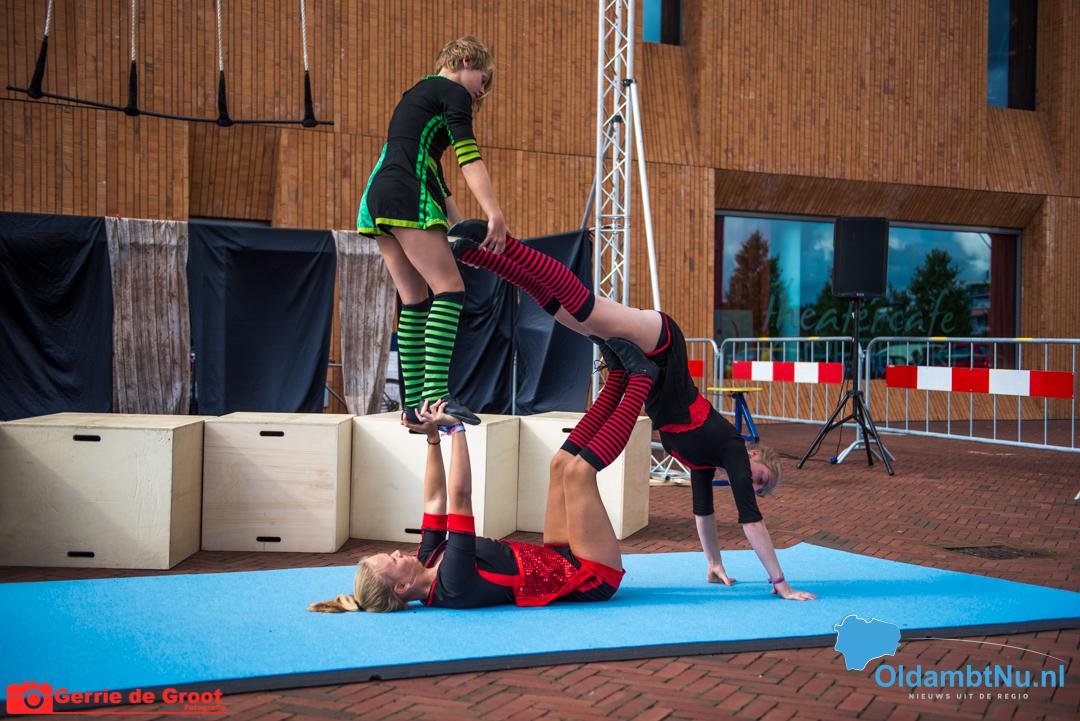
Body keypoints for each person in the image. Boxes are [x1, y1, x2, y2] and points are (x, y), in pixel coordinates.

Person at [447, 219, 816, 601]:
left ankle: (479, 258)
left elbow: (703, 515)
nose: (754, 486)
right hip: (664, 346)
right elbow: (750, 520)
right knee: (584, 308)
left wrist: (713, 563)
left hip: (641, 364)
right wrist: (780, 583)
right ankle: (502, 243)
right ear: (754, 456)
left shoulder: (703, 463)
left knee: (560, 311)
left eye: (760, 488)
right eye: (761, 478)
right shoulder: (733, 447)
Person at [309, 341, 653, 612]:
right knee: (579, 472)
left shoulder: (428, 560)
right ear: (401, 587)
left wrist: (432, 438)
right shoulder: (452, 584)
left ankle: (617, 378)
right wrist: (456, 429)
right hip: (589, 577)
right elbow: (461, 498)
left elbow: (435, 499)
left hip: (558, 560)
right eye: (393, 560)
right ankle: (642, 379)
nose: (398, 552)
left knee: (560, 464)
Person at [356, 36, 506, 425]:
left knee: (415, 299)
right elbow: (468, 157)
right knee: (451, 289)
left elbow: (436, 174)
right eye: (483, 81)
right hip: (407, 191)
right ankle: (437, 396)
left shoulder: (418, 93)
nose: (481, 93)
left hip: (379, 193)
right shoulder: (453, 92)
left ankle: (413, 407)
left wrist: (458, 228)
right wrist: (495, 215)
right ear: (467, 61)